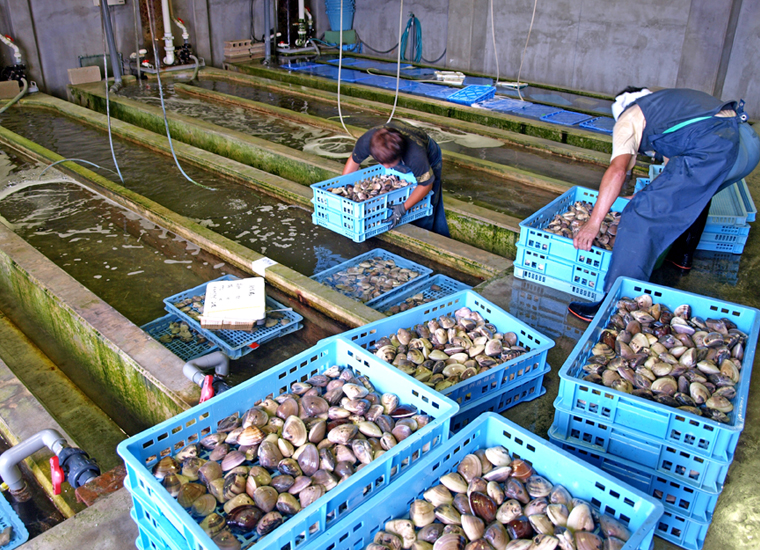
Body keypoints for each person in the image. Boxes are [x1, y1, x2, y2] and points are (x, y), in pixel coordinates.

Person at [568, 87, 760, 322]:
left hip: (714, 145)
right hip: (746, 147)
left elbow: (617, 171)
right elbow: (673, 173)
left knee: (639, 215)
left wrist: (594, 223)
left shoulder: (628, 118)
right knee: (693, 196)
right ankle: (681, 257)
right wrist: (648, 193)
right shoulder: (669, 108)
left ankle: (616, 307)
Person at [343, 120, 450, 237]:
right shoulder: (366, 142)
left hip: (429, 154)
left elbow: (426, 185)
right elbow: (353, 161)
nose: (386, 167)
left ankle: (426, 235)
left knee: (428, 202)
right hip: (399, 154)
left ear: (400, 157)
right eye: (381, 162)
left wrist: (402, 208)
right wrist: (344, 189)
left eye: (390, 164)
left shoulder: (415, 155)